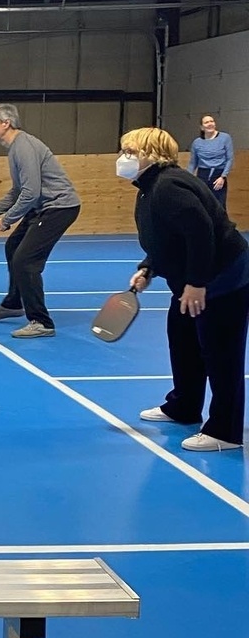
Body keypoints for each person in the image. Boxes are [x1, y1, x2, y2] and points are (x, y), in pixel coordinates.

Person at [118, 127, 249, 452]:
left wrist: (196, 283)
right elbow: (167, 238)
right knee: (183, 339)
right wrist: (148, 269)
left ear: (151, 154)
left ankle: (224, 431)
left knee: (221, 354)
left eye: (130, 152)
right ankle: (184, 406)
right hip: (198, 280)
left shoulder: (168, 186)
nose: (124, 158)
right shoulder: (150, 187)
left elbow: (200, 232)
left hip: (224, 280)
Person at [0, 104, 82, 338]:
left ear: (6, 123)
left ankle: (41, 321)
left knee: (26, 261)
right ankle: (14, 304)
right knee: (13, 246)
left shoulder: (23, 147)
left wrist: (7, 220)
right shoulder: (15, 148)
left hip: (59, 207)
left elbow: (31, 193)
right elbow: (17, 191)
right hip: (42, 207)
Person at [188, 114, 233, 208]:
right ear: (201, 127)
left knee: (219, 206)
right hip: (202, 175)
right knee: (203, 205)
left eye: (211, 121)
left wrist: (223, 177)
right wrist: (188, 178)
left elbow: (229, 159)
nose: (209, 124)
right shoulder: (196, 142)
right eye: (206, 122)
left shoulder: (225, 138)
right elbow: (193, 163)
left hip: (218, 175)